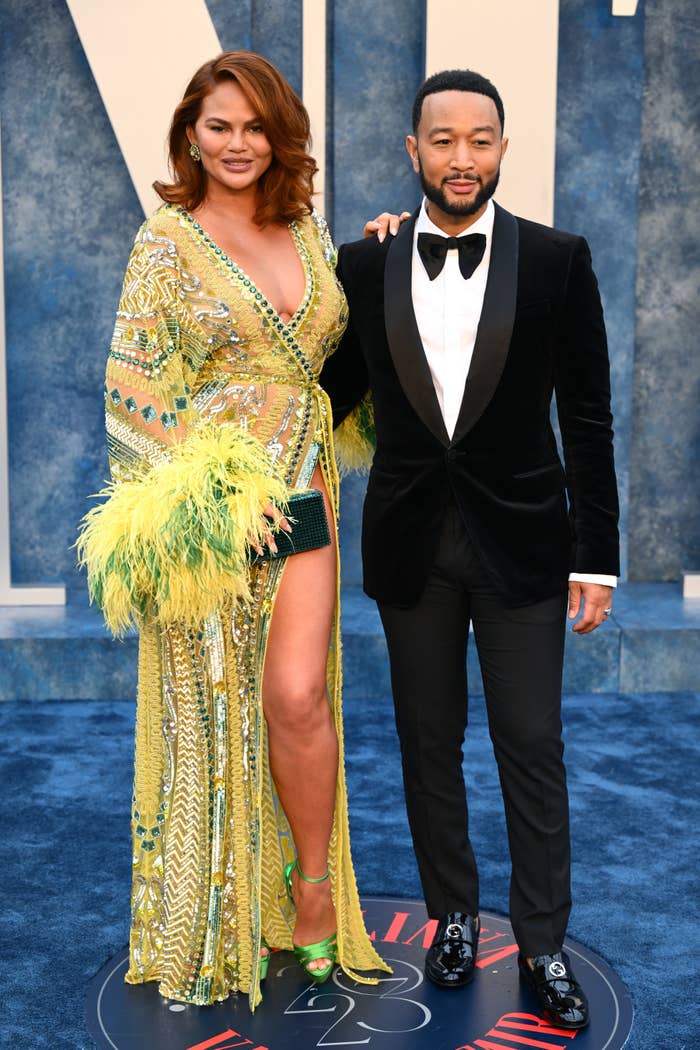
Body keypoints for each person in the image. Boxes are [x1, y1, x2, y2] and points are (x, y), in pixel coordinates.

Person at [78, 51, 390, 1010]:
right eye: (219, 126)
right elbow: (131, 390)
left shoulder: (308, 226)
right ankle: (212, 913)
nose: (238, 144)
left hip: (306, 489)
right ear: (189, 133)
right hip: (209, 511)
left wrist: (382, 256)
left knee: (297, 698)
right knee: (211, 708)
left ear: (278, 134)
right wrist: (211, 499)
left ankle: (307, 892)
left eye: (255, 126)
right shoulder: (165, 240)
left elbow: (339, 353)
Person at [321, 68, 619, 1029]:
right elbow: (319, 395)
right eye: (441, 141)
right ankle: (453, 915)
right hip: (410, 547)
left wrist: (596, 556)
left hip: (526, 544)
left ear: (502, 147)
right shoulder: (362, 265)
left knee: (531, 744)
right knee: (426, 744)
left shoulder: (560, 259)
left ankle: (541, 944)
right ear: (414, 152)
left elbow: (590, 415)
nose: (461, 158)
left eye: (478, 140)